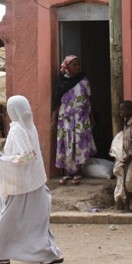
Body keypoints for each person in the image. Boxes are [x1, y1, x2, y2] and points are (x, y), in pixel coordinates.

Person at [0, 95, 63, 264]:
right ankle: (47, 254)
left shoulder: (17, 130)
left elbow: (27, 156)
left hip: (20, 186)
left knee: (7, 221)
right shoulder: (29, 127)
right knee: (36, 224)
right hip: (32, 184)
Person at [53, 55, 96, 185]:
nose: (77, 67)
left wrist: (92, 117)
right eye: (74, 65)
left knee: (79, 143)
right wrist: (53, 119)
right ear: (67, 66)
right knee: (66, 143)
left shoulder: (83, 81)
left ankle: (77, 172)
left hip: (80, 117)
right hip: (65, 119)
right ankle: (68, 173)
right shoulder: (61, 82)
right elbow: (56, 102)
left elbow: (89, 100)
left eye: (78, 65)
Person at [110, 100, 132, 212]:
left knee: (129, 182)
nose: (120, 112)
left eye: (122, 109)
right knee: (128, 183)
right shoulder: (126, 124)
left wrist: (128, 157)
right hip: (127, 158)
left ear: (130, 110)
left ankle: (129, 206)